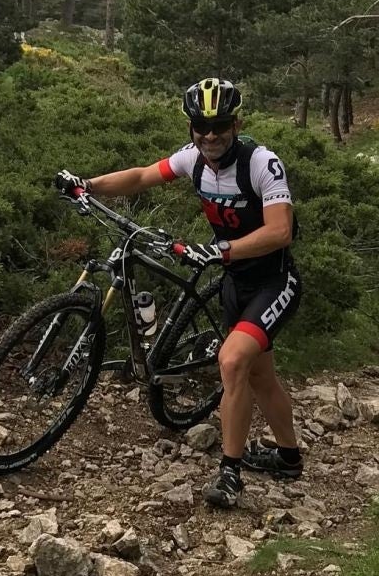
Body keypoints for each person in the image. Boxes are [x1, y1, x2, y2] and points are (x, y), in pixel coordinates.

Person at [62, 78, 301, 509]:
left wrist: (218, 249)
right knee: (260, 376)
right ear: (191, 127)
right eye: (200, 126)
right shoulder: (194, 159)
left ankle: (229, 474)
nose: (210, 135)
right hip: (233, 282)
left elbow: (281, 231)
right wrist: (89, 185)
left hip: (273, 281)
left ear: (236, 122)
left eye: (220, 125)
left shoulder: (262, 163)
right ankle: (288, 457)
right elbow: (140, 176)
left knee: (231, 361)